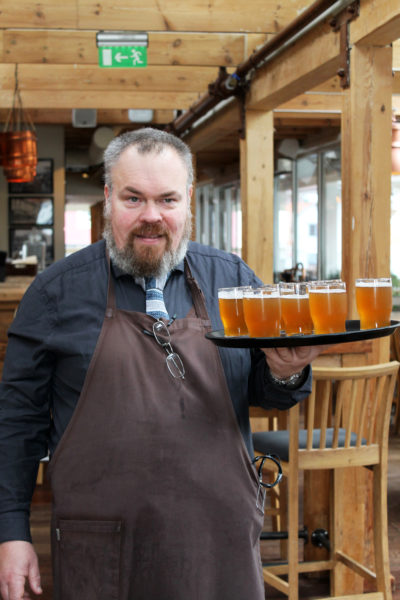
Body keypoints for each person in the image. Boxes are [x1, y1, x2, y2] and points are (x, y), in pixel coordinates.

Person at [0, 128, 326, 600]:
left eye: (167, 199)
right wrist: (12, 530)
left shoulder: (233, 281)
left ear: (188, 200)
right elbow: (17, 423)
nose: (151, 217)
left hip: (219, 541)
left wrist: (285, 370)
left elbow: (267, 390)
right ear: (109, 198)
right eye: (133, 198)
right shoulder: (54, 294)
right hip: (102, 547)